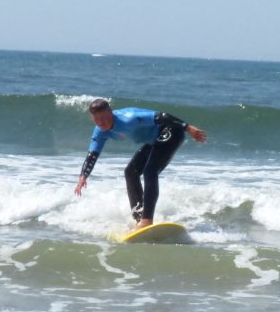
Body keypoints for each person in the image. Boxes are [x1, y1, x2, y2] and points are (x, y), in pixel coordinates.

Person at [74, 98, 207, 231]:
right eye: (96, 119)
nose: (100, 122)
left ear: (110, 112)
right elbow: (92, 154)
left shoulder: (129, 118)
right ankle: (139, 219)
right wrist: (83, 176)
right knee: (131, 172)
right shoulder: (100, 131)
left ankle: (146, 220)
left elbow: (162, 116)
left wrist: (189, 128)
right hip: (154, 140)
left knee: (150, 171)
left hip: (171, 131)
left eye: (103, 117)